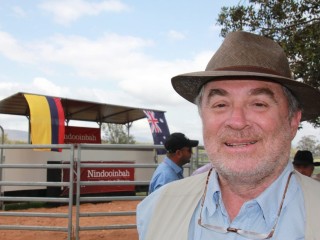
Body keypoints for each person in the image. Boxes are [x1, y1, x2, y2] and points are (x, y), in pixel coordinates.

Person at [137, 31, 320, 239]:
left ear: (292, 121)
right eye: (220, 104)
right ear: (202, 116)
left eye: (259, 104)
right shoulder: (156, 211)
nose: (237, 121)